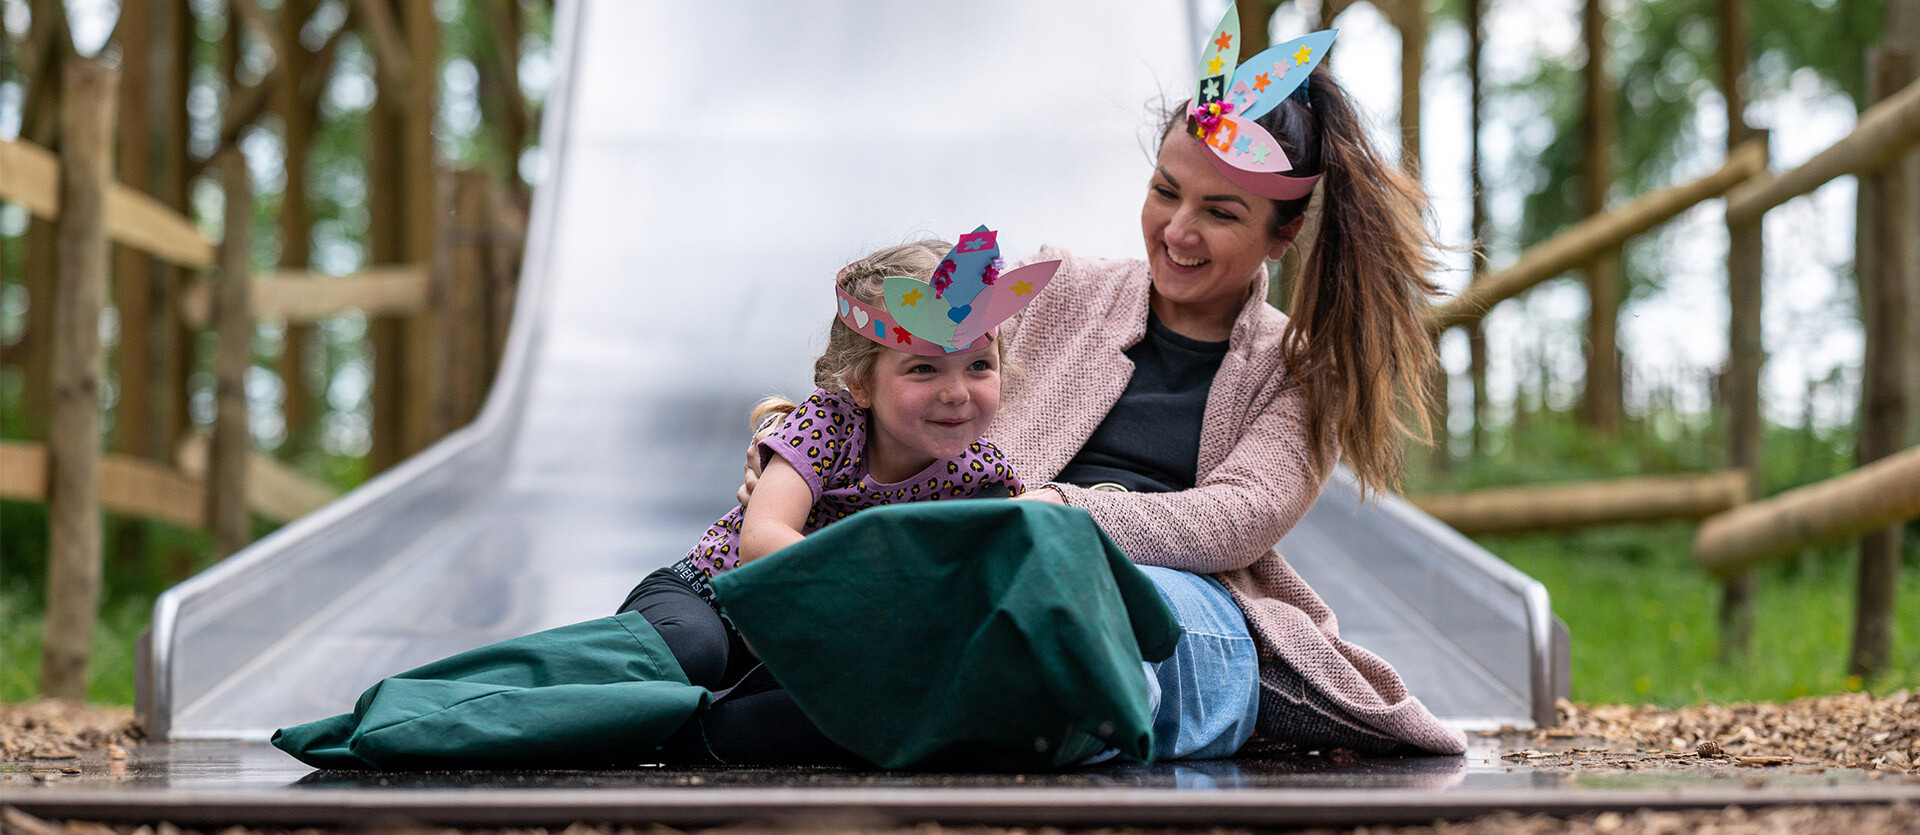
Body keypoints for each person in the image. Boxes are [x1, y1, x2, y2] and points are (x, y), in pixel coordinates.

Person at [736, 21, 1468, 759]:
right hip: (997, 571)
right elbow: (918, 368)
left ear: (1283, 234)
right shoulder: (1057, 289)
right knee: (977, 597)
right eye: (1165, 192)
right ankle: (915, 706)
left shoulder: (1301, 368)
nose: (1178, 230)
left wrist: (1062, 515)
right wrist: (806, 456)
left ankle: (1042, 710)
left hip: (1182, 602)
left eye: (1220, 212)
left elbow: (1236, 519)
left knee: (1074, 609)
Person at [617, 232, 1057, 762]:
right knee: (694, 651)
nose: (957, 391)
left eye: (979, 365)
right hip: (714, 603)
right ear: (861, 382)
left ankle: (683, 737)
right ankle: (581, 697)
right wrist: (879, 582)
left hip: (810, 650)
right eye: (923, 368)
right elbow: (761, 541)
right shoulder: (828, 426)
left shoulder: (983, 477)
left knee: (848, 707)